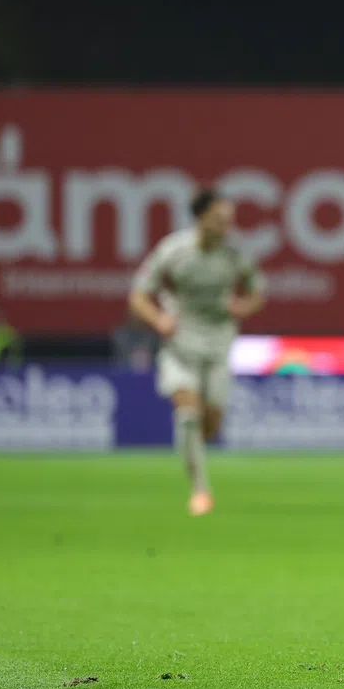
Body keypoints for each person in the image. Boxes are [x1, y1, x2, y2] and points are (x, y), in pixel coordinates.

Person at [127, 187, 266, 515]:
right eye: (219, 219)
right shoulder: (173, 251)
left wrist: (242, 307)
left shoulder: (235, 256)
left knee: (211, 422)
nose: (226, 226)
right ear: (201, 219)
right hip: (180, 344)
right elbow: (138, 294)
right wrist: (158, 319)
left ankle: (194, 452)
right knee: (188, 414)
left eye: (229, 220)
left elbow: (257, 292)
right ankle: (201, 491)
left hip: (218, 344)